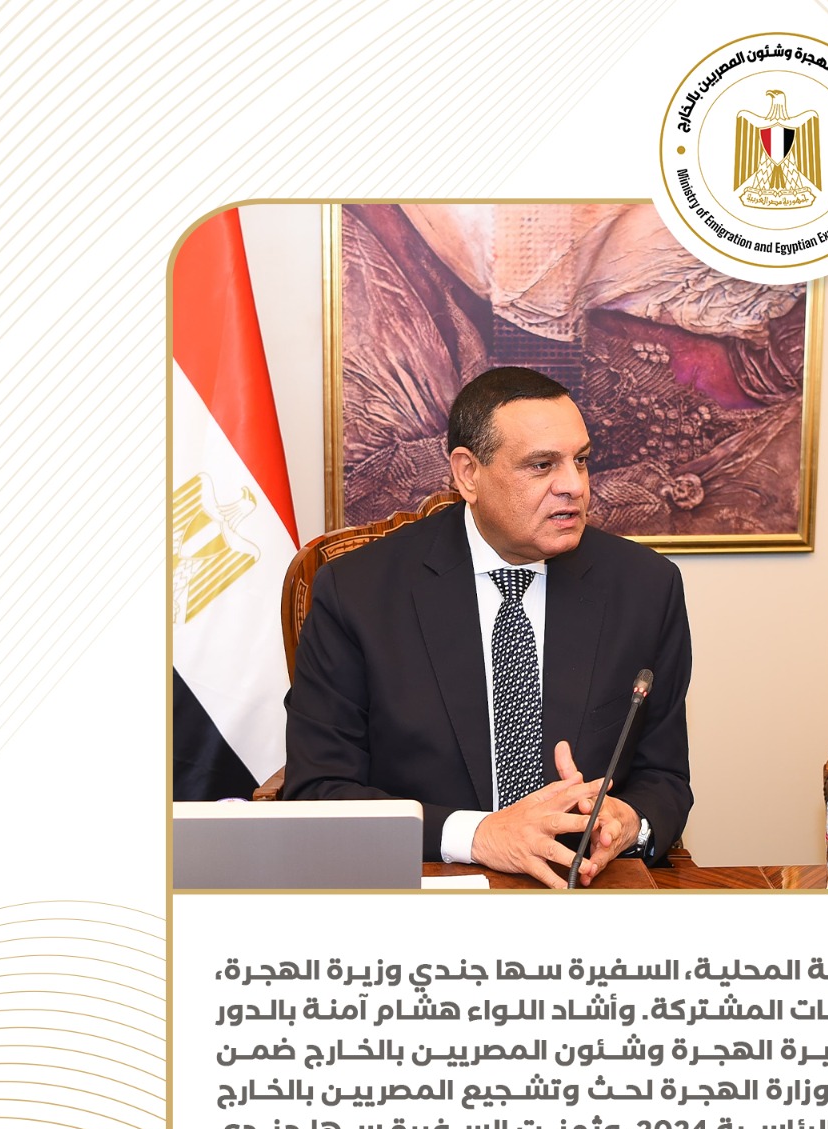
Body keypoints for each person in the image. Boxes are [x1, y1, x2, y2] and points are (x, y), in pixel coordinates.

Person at [284, 367, 692, 887]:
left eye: (581, 460)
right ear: (468, 474)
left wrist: (629, 821)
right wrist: (478, 835)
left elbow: (664, 776)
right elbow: (319, 790)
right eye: (542, 465)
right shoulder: (358, 592)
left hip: (580, 887)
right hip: (425, 886)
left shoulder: (645, 588)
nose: (574, 486)